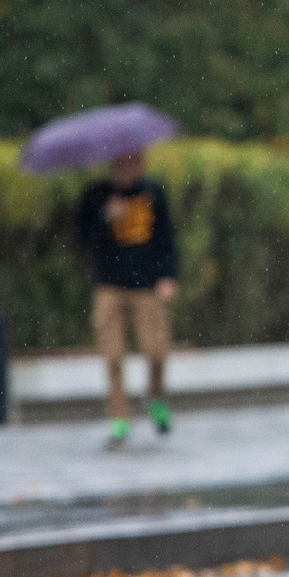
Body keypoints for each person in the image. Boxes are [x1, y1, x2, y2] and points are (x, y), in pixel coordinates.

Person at [74, 147, 178, 450]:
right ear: (113, 162)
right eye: (124, 161)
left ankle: (155, 398)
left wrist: (168, 276)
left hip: (147, 285)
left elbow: (166, 238)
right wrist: (105, 218)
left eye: (136, 161)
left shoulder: (153, 193)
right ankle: (119, 418)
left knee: (156, 351)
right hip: (109, 285)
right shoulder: (96, 195)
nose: (131, 167)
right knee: (113, 355)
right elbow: (82, 240)